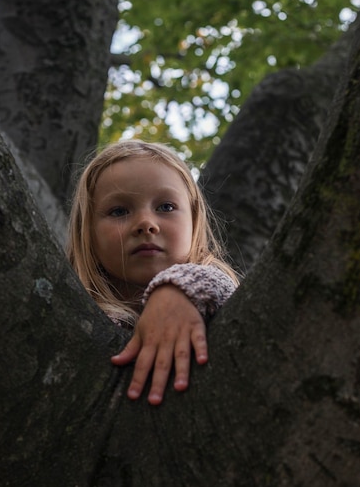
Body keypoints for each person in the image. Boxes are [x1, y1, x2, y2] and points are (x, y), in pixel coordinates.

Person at [67, 140, 238, 405]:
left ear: (194, 220)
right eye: (119, 211)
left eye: (166, 207)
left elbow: (224, 287)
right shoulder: (73, 313)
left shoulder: (209, 287)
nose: (146, 224)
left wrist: (178, 290)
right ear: (87, 232)